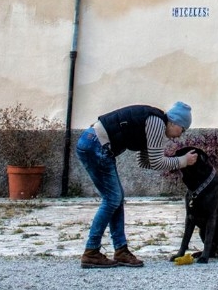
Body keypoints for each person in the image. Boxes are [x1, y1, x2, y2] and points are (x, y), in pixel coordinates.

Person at [76, 101, 196, 268]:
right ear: (174, 122)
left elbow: (147, 162)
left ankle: (120, 250)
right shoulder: (156, 122)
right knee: (112, 199)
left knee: (116, 198)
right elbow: (155, 162)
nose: (179, 136)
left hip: (93, 143)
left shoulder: (155, 122)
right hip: (96, 145)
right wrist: (183, 161)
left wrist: (167, 157)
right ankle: (91, 251)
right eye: (182, 130)